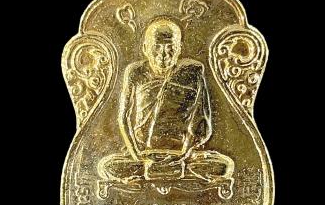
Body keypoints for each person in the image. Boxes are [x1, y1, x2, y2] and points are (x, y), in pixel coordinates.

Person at [98, 17, 233, 184]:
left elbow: (202, 120)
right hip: (144, 152)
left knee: (225, 167)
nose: (163, 55)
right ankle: (162, 169)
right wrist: (136, 153)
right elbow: (123, 118)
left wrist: (185, 152)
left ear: (179, 49)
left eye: (170, 48)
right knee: (107, 167)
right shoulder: (136, 73)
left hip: (182, 152)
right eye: (157, 48)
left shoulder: (192, 72)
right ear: (145, 48)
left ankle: (164, 169)